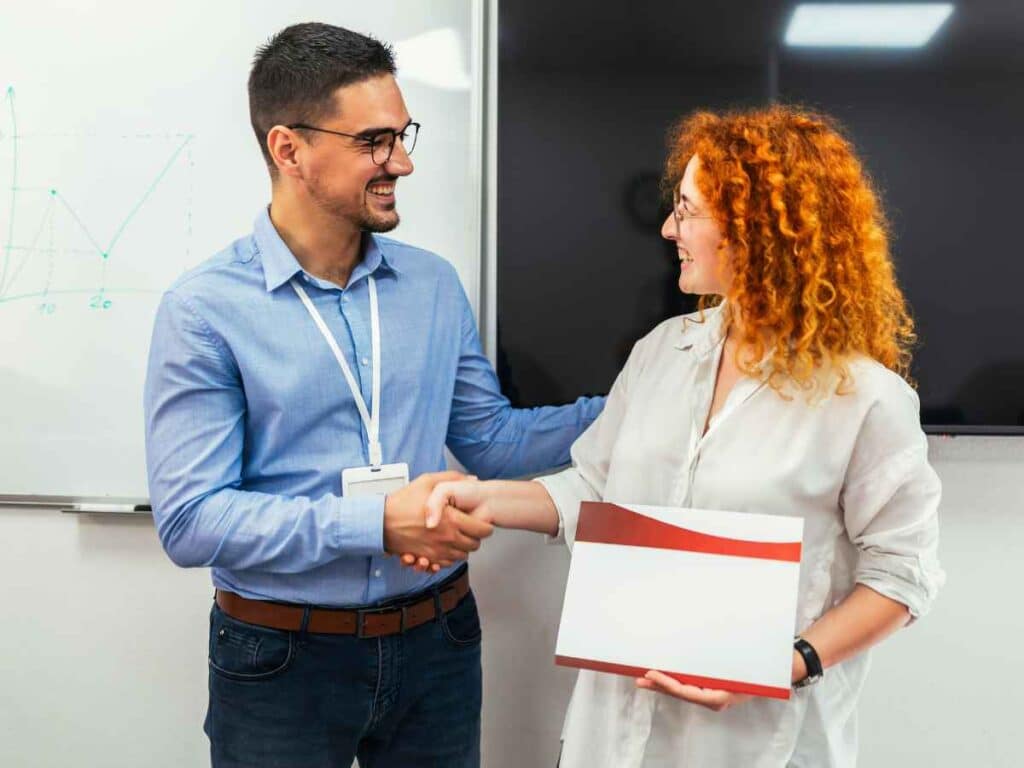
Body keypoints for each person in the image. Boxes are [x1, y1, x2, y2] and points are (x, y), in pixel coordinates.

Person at [410, 106, 945, 768]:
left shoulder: (866, 399)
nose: (669, 229)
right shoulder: (665, 349)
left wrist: (791, 662)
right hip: (615, 731)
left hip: (759, 741)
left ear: (752, 229)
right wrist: (482, 500)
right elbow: (598, 486)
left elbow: (901, 577)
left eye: (687, 211)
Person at [142, 22, 603, 768]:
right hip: (280, 658)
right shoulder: (204, 312)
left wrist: (643, 404)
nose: (404, 162)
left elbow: (492, 441)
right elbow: (193, 520)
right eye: (375, 142)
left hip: (439, 640)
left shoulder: (432, 285)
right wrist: (375, 524)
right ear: (289, 149)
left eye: (403, 134)